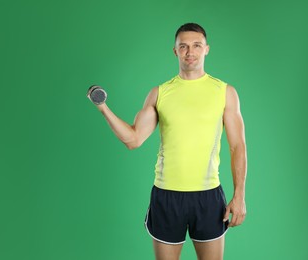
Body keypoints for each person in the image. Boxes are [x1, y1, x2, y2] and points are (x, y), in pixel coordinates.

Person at [87, 23, 247, 260]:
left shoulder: (225, 92)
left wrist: (240, 195)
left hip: (208, 195)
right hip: (166, 195)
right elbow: (133, 139)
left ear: (206, 49)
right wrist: (102, 107)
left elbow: (238, 147)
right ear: (175, 51)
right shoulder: (160, 93)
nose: (190, 52)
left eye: (196, 46)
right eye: (183, 46)